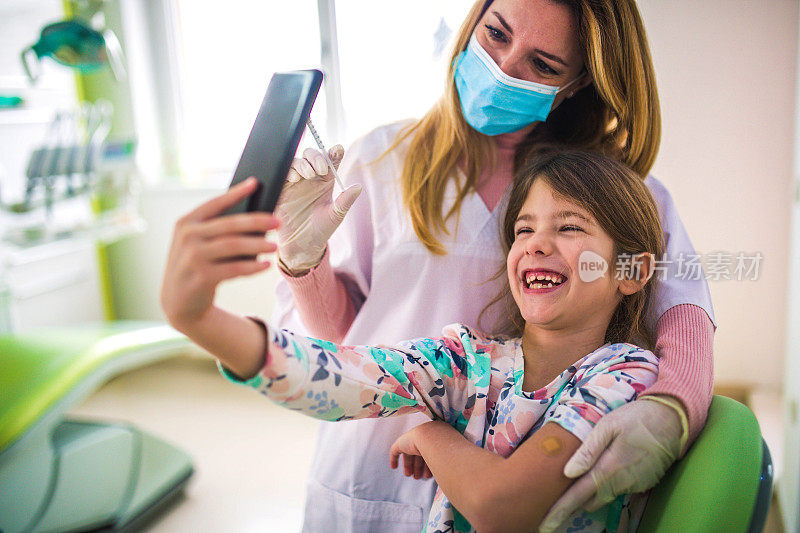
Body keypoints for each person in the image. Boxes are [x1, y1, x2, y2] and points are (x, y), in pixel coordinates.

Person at [271, 0, 715, 531]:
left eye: (543, 65)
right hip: (373, 459)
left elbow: (684, 311)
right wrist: (303, 262)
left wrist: (673, 408)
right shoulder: (380, 158)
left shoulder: (614, 191)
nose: (503, 68)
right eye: (496, 34)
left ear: (577, 84)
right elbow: (344, 338)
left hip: (512, 473)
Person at [162, 149, 667, 532]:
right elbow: (340, 378)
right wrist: (200, 320)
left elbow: (505, 508)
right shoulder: (467, 361)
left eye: (570, 227)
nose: (535, 243)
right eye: (523, 229)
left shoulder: (624, 373)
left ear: (631, 270)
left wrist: (432, 435)